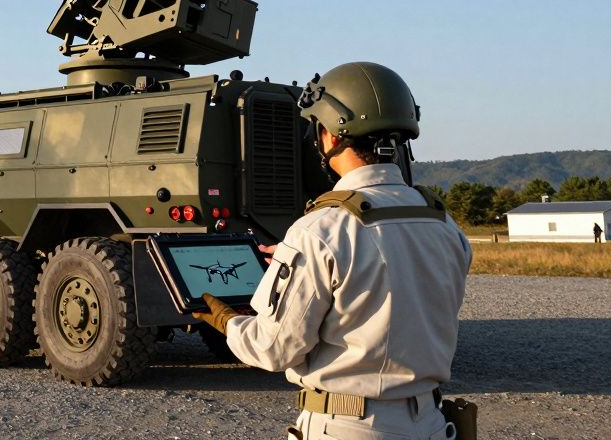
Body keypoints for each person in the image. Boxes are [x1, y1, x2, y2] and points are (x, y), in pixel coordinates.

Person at [196, 62, 472, 439]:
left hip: (349, 426)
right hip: (431, 423)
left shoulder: (318, 230)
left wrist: (229, 323)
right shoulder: (443, 223)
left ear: (328, 134)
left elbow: (273, 349)